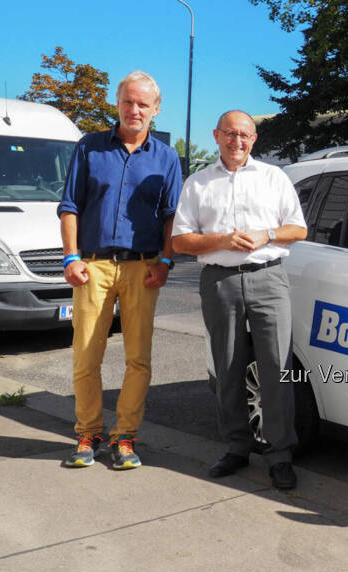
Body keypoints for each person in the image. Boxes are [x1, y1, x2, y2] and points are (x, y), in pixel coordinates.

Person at [172, 110, 308, 490]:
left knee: (276, 367)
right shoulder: (198, 184)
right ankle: (236, 447)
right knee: (227, 367)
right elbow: (180, 241)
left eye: (245, 135)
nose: (238, 141)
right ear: (216, 136)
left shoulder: (274, 178)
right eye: (230, 134)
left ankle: (280, 455)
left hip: (268, 277)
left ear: (254, 140)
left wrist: (267, 234)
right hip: (220, 280)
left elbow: (298, 228)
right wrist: (221, 240)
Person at [58, 71, 181, 470]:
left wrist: (165, 261)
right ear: (118, 103)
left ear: (156, 110)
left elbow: (171, 218)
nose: (135, 110)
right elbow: (70, 206)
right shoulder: (90, 147)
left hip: (142, 268)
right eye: (129, 102)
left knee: (138, 360)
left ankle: (124, 437)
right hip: (92, 266)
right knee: (85, 357)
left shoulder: (167, 158)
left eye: (143, 104)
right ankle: (88, 432)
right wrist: (70, 257)